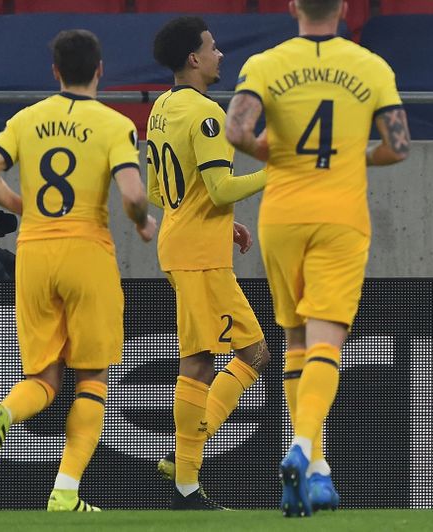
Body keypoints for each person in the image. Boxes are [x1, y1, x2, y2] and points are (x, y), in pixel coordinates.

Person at [225, 0, 410, 517]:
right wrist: (355, 156)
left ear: (293, 7)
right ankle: (304, 449)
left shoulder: (265, 63)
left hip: (281, 215)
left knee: (295, 339)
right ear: (345, 9)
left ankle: (318, 471)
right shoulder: (371, 66)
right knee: (328, 336)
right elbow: (398, 145)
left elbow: (236, 130)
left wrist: (280, 156)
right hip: (340, 215)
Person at [0, 29, 156, 511]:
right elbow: (133, 194)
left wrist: (17, 203)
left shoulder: (27, 119)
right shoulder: (114, 124)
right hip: (86, 251)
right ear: (100, 70)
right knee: (91, 378)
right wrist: (143, 223)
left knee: (45, 379)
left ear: (55, 72)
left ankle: (5, 411)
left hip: (34, 254)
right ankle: (66, 492)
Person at [147, 16, 271, 510]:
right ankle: (184, 472)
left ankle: (185, 471)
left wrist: (224, 222)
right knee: (243, 354)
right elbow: (220, 188)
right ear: (194, 59)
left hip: (185, 242)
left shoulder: (161, 108)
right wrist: (276, 174)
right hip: (200, 255)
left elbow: (160, 190)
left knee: (212, 357)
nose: (221, 55)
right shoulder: (205, 114)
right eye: (213, 47)